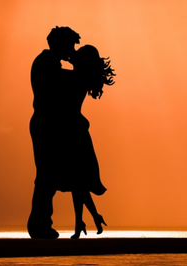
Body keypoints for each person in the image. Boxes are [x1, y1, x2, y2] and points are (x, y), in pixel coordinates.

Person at [27, 26, 85, 239]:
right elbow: (62, 83)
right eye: (70, 45)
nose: (72, 50)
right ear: (60, 44)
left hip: (49, 124)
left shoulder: (49, 63)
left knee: (47, 176)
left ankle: (41, 223)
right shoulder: (46, 63)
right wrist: (82, 71)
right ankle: (39, 225)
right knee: (46, 176)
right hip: (45, 125)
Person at [67, 44, 115, 238]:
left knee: (76, 181)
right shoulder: (82, 78)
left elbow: (63, 74)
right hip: (75, 129)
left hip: (72, 131)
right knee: (77, 181)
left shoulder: (76, 78)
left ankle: (84, 221)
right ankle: (86, 219)